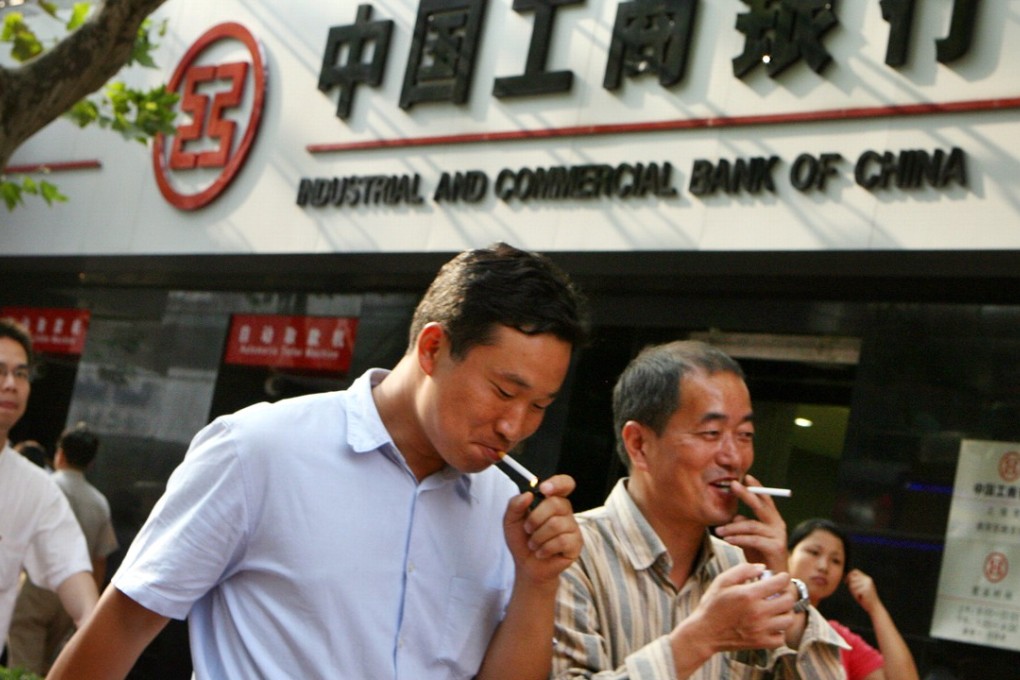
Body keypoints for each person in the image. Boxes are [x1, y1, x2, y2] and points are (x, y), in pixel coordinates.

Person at [48, 242, 591, 680]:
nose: (515, 426)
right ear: (432, 350)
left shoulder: (508, 510)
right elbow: (119, 629)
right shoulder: (260, 450)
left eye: (540, 406)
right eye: (503, 391)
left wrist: (537, 581)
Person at [553, 340, 848, 679]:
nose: (734, 457)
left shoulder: (740, 568)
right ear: (639, 444)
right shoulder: (569, 554)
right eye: (711, 433)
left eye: (745, 435)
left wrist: (785, 595)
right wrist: (701, 639)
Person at [0, 318, 98, 656]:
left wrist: (92, 629)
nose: (11, 383)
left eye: (21, 374)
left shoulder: (36, 489)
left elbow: (71, 569)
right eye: (0, 371)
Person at [7, 423, 119, 674]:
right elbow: (100, 559)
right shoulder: (100, 504)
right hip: (72, 601)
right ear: (90, 463)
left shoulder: (43, 486)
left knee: (22, 669)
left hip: (34, 591)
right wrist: (91, 611)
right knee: (51, 668)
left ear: (61, 453)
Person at [788, 518, 920, 680]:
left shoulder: (838, 639)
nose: (823, 566)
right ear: (788, 555)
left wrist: (875, 607)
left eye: (835, 561)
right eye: (814, 552)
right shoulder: (759, 612)